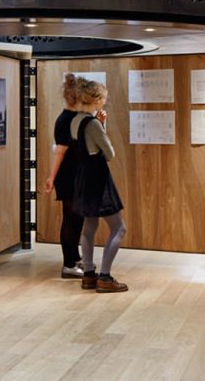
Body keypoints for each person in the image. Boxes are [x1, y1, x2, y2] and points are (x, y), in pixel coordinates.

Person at [68, 76, 128, 293]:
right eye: (103, 98)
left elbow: (90, 146)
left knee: (89, 226)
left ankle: (89, 275)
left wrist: (102, 125)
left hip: (83, 179)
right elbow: (109, 153)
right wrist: (102, 126)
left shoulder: (75, 121)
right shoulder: (92, 123)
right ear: (96, 99)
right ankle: (105, 276)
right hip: (98, 180)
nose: (104, 102)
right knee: (119, 228)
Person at [43, 74, 85, 278]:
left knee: (77, 218)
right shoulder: (66, 120)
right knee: (71, 218)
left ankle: (75, 258)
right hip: (68, 176)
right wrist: (51, 178)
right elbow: (59, 152)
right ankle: (68, 264)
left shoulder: (73, 118)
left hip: (74, 175)